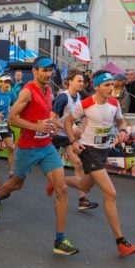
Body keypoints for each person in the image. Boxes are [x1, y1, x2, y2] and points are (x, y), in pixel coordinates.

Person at [0, 57, 79, 256]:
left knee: (62, 188)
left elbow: (48, 117)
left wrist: (65, 129)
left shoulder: (48, 90)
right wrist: (37, 127)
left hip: (46, 146)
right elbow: (12, 118)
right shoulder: (27, 91)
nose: (48, 74)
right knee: (16, 184)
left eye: (50, 71)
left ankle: (59, 239)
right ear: (35, 70)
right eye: (44, 70)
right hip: (27, 148)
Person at [64, 70, 135, 257]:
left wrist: (124, 131)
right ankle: (120, 242)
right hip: (88, 151)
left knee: (84, 185)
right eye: (106, 85)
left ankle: (59, 180)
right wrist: (73, 141)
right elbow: (67, 122)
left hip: (102, 151)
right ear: (96, 87)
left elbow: (121, 123)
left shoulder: (114, 104)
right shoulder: (86, 104)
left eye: (112, 85)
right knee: (110, 193)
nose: (110, 88)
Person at [50, 70, 98, 211]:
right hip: (55, 134)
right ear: (70, 81)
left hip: (67, 136)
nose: (82, 83)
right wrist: (67, 127)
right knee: (46, 167)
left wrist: (79, 130)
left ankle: (82, 200)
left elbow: (84, 115)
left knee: (77, 163)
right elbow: (52, 118)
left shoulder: (79, 97)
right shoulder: (63, 97)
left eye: (83, 81)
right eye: (79, 80)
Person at [0, 75, 16, 177]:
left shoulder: (10, 94)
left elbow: (15, 105)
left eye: (9, 83)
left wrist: (10, 116)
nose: (7, 84)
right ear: (1, 83)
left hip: (3, 124)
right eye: (5, 82)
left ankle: (12, 171)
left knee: (11, 147)